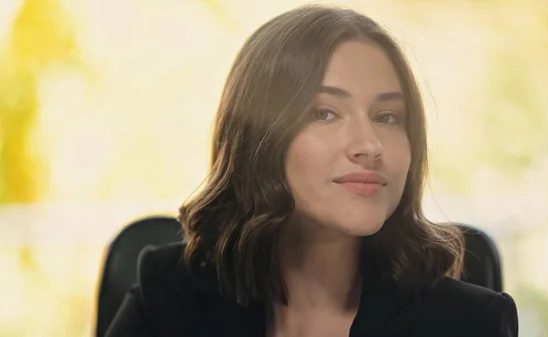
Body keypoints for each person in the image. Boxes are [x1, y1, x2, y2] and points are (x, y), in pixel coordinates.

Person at [105, 4, 518, 337]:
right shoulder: (168, 296)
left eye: (389, 117)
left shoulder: (470, 323)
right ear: (258, 139)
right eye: (324, 112)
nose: (369, 145)